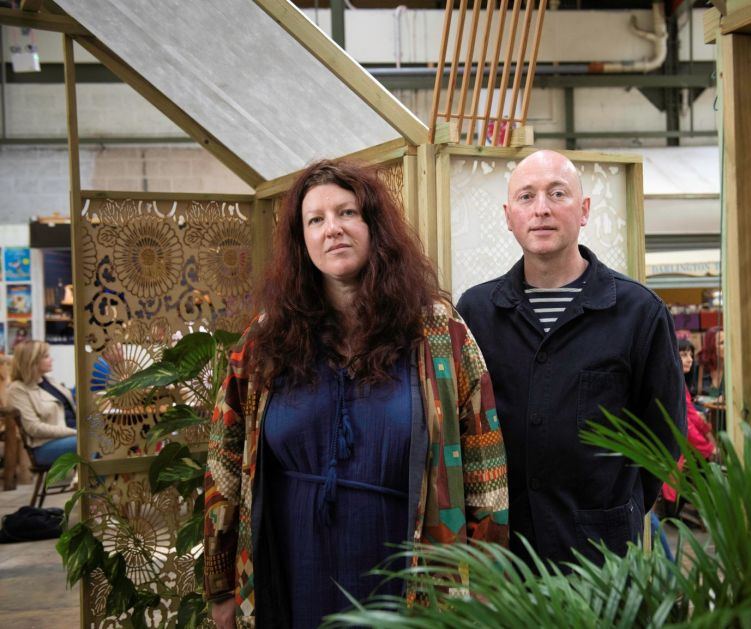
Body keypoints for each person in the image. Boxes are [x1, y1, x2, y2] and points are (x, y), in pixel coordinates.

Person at [203, 159, 509, 628]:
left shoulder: (439, 334)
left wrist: (487, 586)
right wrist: (222, 586)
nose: (333, 230)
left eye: (347, 213)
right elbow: (223, 465)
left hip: (406, 573)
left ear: (374, 225)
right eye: (316, 220)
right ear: (300, 240)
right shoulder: (265, 341)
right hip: (290, 568)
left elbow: (485, 465)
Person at [456, 149, 685, 566]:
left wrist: (618, 510)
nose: (541, 209)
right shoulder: (476, 312)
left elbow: (662, 440)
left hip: (602, 558)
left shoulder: (638, 312)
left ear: (583, 211)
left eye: (557, 193)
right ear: (509, 217)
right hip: (504, 557)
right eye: (526, 197)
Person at [662, 338, 716, 515]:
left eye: (691, 355)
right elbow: (685, 424)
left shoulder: (679, 382)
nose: (690, 359)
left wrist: (707, 432)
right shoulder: (673, 383)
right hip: (674, 446)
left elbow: (691, 414)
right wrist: (707, 446)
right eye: (684, 354)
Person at [7, 341, 78, 466]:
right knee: (95, 442)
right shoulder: (18, 389)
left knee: (113, 437)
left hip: (73, 435)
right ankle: (95, 484)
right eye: (46, 356)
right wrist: (74, 432)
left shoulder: (48, 381)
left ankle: (98, 483)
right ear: (32, 361)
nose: (52, 359)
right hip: (46, 445)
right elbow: (34, 428)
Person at [696, 326, 724, 399]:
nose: (727, 346)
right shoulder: (701, 366)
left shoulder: (733, 368)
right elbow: (695, 396)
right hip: (703, 409)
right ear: (711, 346)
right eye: (722, 343)